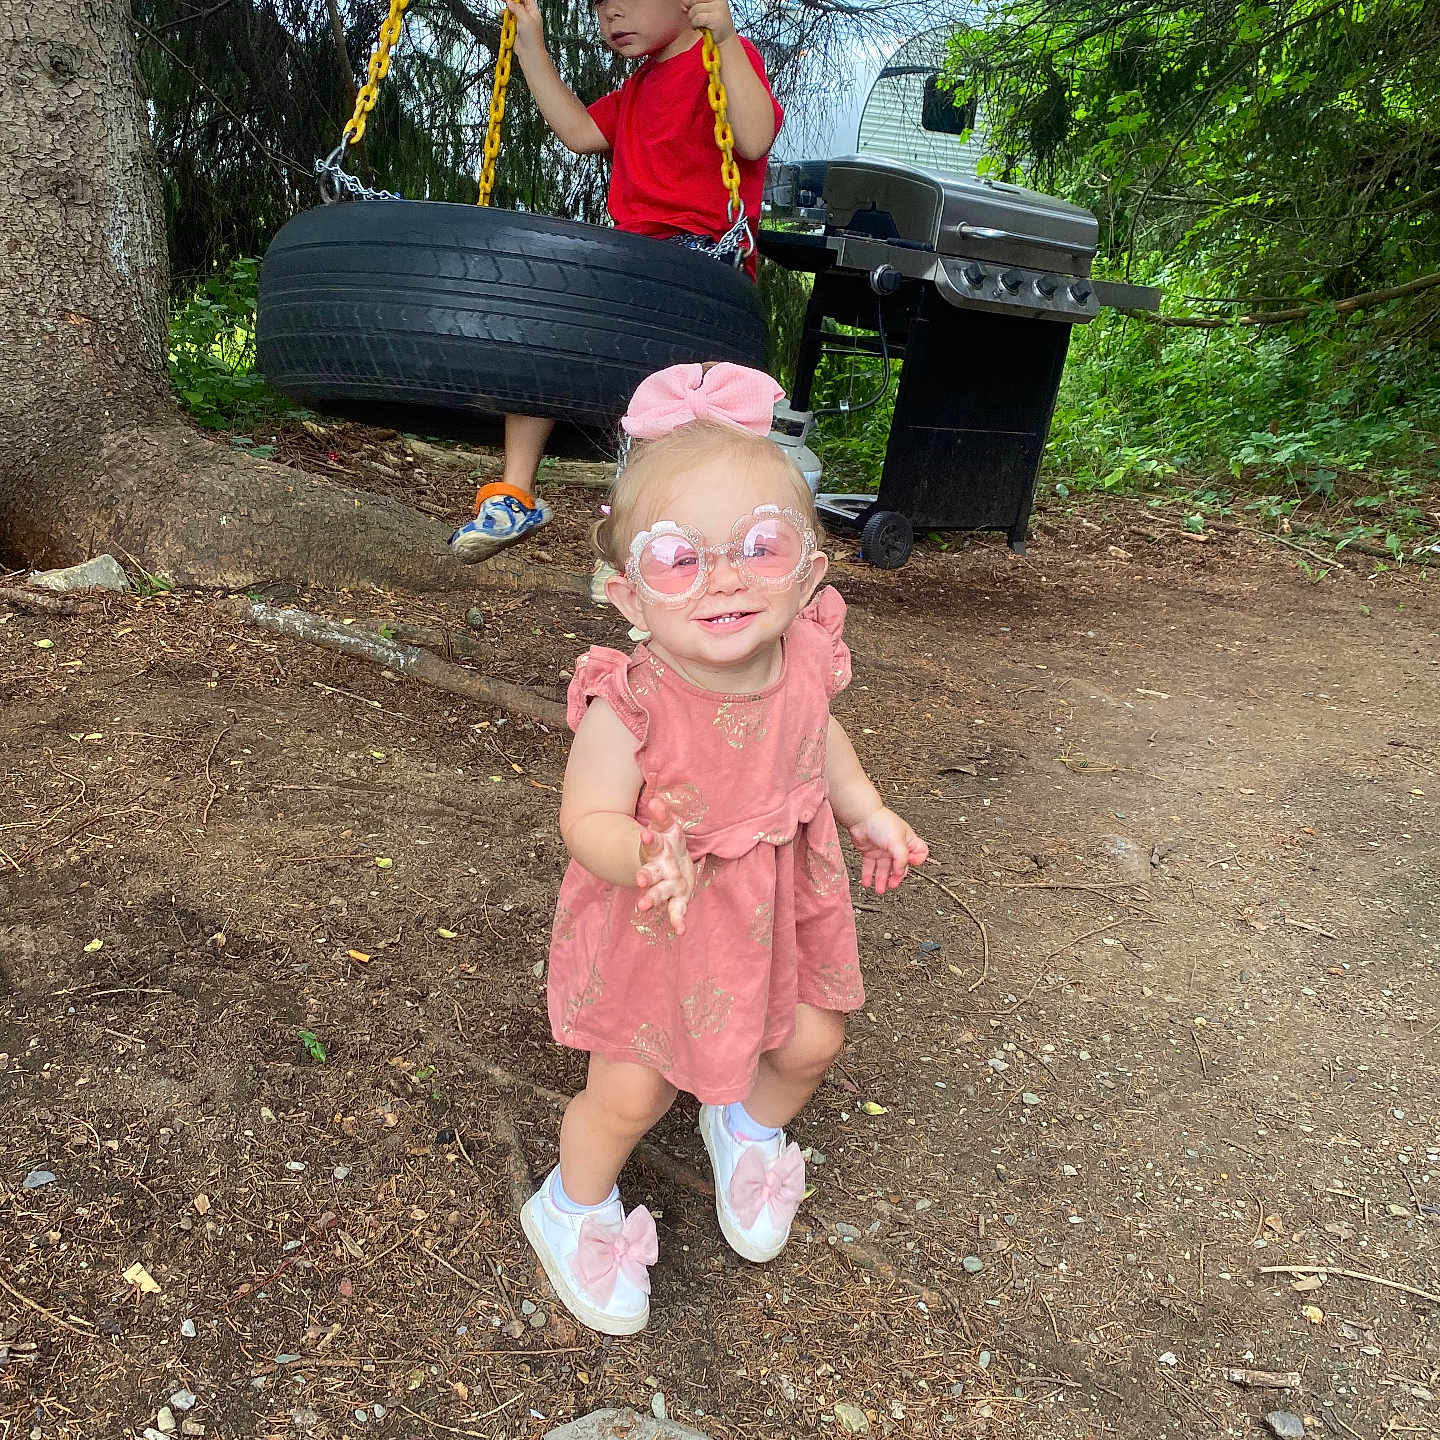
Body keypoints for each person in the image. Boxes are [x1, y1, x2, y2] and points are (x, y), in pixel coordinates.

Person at [520, 362, 930, 1335]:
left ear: (810, 572)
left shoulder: (801, 658)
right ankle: (572, 1205)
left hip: (779, 906)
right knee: (631, 1091)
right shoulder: (632, 701)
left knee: (812, 1039)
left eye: (758, 545)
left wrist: (865, 808)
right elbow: (586, 819)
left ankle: (744, 1125)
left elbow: (816, 735)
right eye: (678, 558)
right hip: (668, 924)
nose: (724, 578)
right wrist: (640, 853)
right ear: (626, 593)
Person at [449, 0, 783, 563]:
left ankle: (648, 542)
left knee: (674, 421)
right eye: (600, 6)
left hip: (703, 267)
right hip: (634, 262)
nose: (611, 15)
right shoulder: (639, 87)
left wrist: (724, 37)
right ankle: (515, 493)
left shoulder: (720, 57)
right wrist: (531, 43)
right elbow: (579, 132)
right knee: (543, 327)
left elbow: (753, 139)